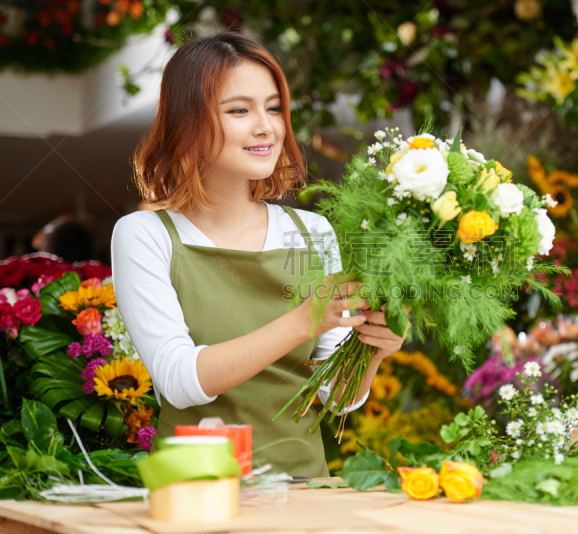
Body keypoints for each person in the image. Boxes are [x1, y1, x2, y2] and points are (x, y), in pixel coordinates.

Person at [111, 32, 406, 477]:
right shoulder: (146, 235)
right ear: (187, 123)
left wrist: (373, 352)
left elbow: (335, 396)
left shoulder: (313, 232)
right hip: (201, 492)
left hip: (306, 491)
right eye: (239, 110)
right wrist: (305, 319)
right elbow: (179, 380)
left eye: (272, 108)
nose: (266, 126)